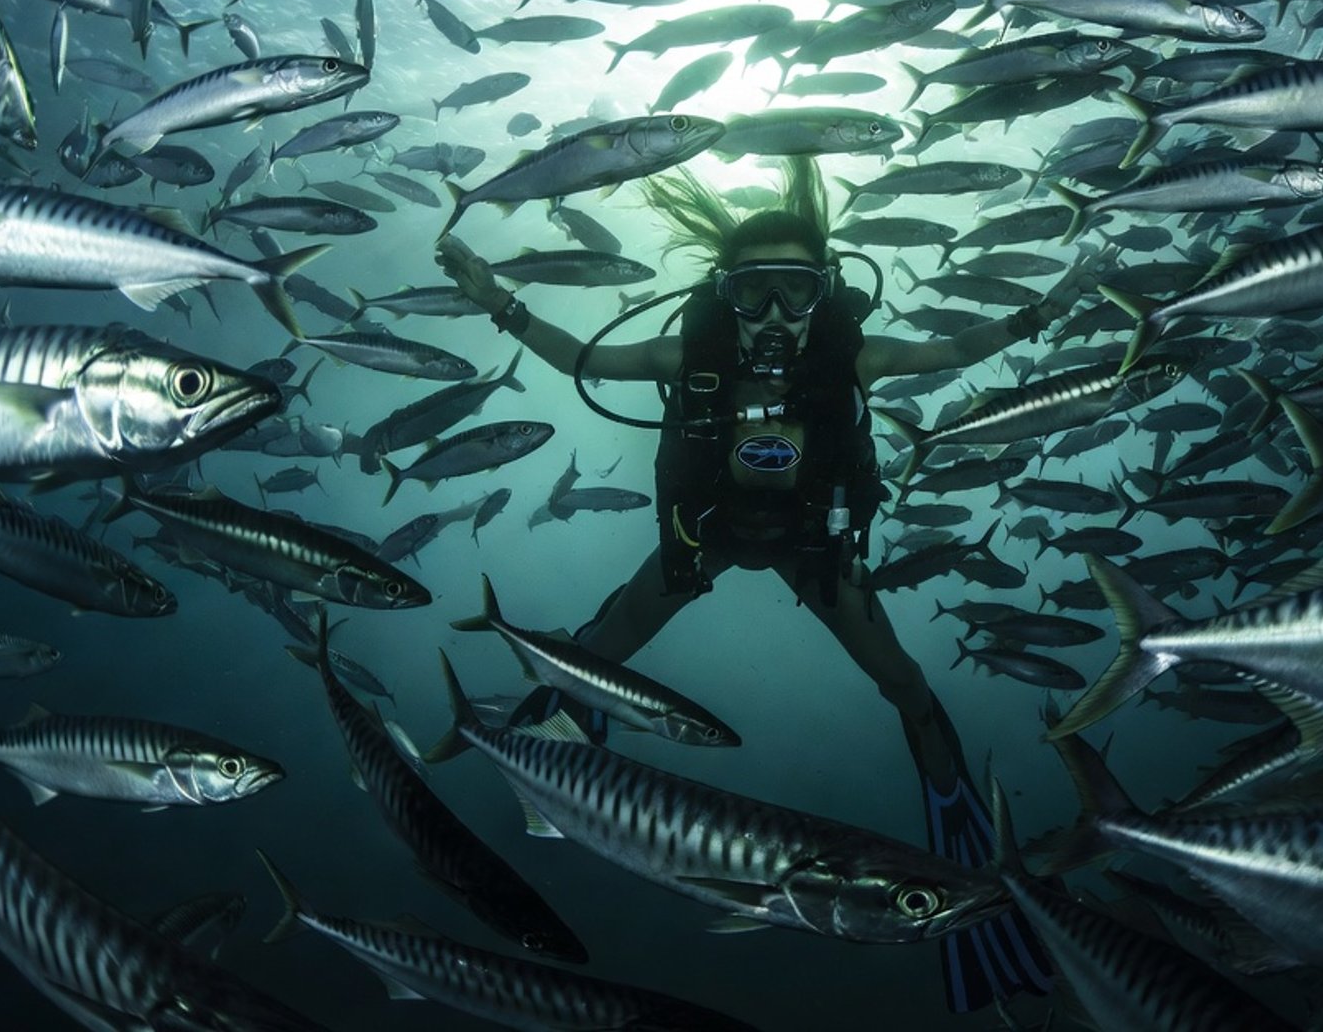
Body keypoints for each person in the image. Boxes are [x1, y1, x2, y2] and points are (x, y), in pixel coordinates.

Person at [436, 158, 1090, 1013]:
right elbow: (581, 360)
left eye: (794, 292)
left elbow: (957, 348)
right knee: (594, 655)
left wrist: (1050, 307)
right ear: (724, 294)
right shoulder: (689, 354)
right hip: (699, 543)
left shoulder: (854, 358)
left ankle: (953, 815)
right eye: (754, 295)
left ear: (825, 293)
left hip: (809, 549)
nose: (774, 318)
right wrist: (499, 301)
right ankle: (535, 764)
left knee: (907, 686)